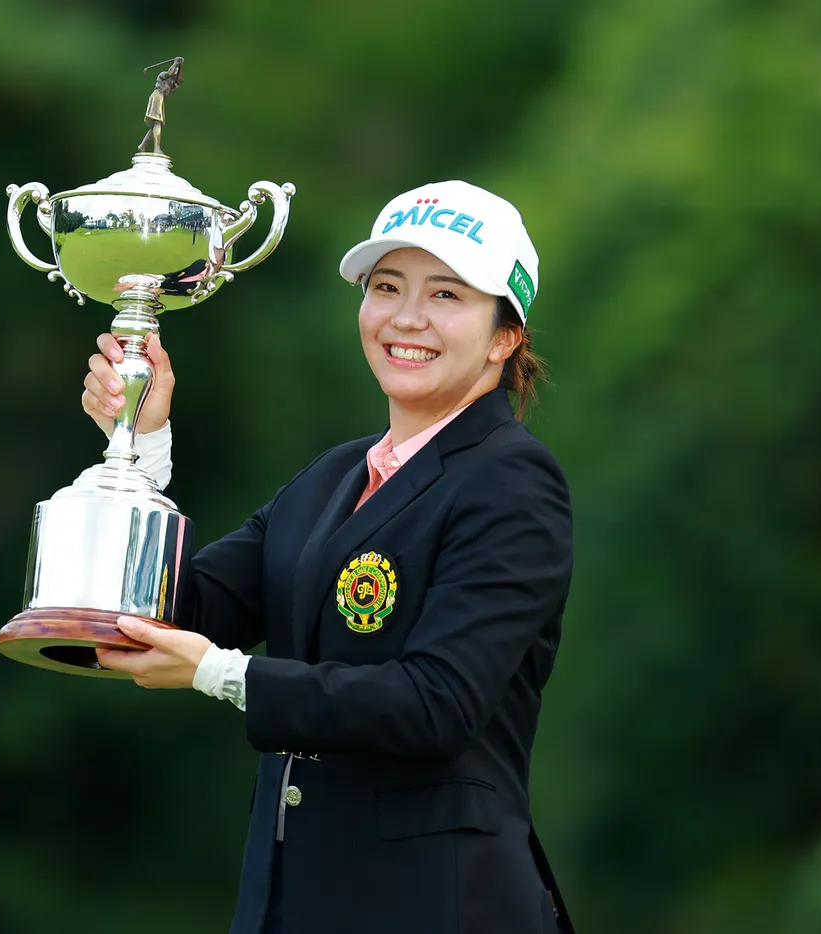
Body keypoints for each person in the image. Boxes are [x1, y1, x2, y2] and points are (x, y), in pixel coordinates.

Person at [81, 181, 574, 934]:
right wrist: (140, 450)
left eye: (446, 294)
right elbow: (177, 610)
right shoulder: (332, 477)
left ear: (504, 336)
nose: (407, 317)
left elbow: (435, 705)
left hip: (439, 909)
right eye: (387, 287)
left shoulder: (512, 480)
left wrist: (223, 674)